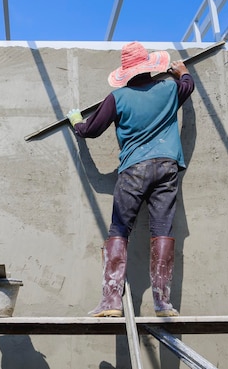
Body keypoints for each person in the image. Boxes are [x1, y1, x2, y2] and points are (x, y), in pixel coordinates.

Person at [67, 41, 193, 317]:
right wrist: (182, 71)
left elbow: (90, 130)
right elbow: (188, 86)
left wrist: (76, 120)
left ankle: (111, 302)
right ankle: (162, 302)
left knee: (120, 230)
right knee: (162, 229)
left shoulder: (118, 98)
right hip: (167, 166)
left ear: (126, 72)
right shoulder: (169, 89)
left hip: (134, 169)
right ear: (150, 67)